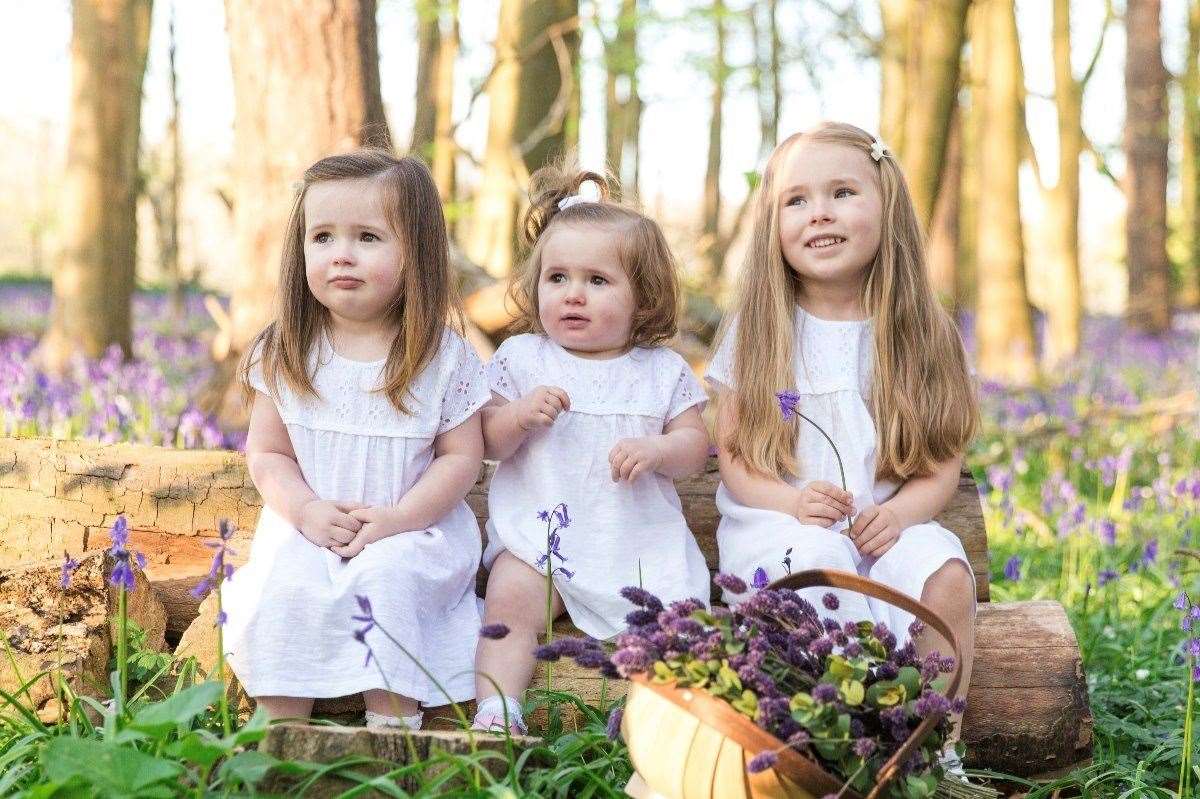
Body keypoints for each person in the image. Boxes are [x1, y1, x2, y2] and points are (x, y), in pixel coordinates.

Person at [707, 122, 978, 769]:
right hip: (781, 528)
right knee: (826, 560)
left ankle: (936, 746)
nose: (819, 212)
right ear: (773, 224)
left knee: (946, 572)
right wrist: (793, 501)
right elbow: (736, 458)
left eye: (842, 192)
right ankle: (849, 743)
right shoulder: (761, 330)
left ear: (887, 205)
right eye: (796, 201)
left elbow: (942, 463)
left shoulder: (922, 331)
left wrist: (903, 515)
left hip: (883, 527)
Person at [224, 150, 489, 731]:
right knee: (285, 581)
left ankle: (392, 732)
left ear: (415, 252)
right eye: (322, 237)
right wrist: (307, 511)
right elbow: (267, 454)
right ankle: (278, 736)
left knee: (388, 579)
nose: (341, 253)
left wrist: (397, 519)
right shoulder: (286, 350)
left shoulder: (441, 358)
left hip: (410, 530)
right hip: (309, 524)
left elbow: (461, 457)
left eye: (368, 237)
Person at [472, 163, 711, 734]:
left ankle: (659, 726)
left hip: (637, 541)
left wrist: (658, 450)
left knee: (681, 622)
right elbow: (486, 440)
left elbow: (696, 447)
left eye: (597, 282)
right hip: (540, 541)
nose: (572, 295)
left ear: (644, 299)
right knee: (510, 604)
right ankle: (497, 709)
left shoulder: (661, 370)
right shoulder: (521, 358)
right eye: (557, 278)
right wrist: (517, 417)